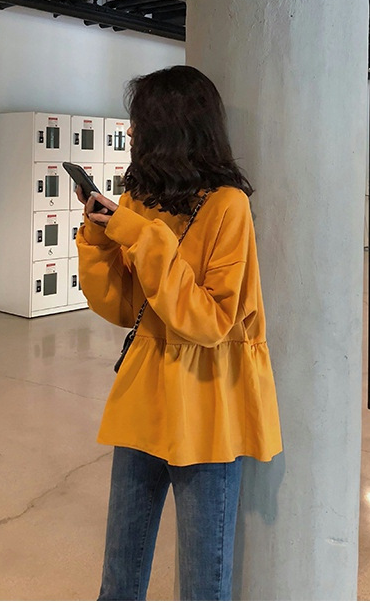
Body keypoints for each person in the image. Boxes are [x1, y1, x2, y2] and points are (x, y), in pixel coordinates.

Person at [75, 65, 282, 601]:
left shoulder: (228, 206)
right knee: (118, 578)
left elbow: (209, 322)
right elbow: (123, 307)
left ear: (170, 127)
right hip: (145, 394)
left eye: (139, 121)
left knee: (202, 584)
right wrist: (99, 240)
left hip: (209, 405)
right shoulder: (142, 201)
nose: (130, 132)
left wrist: (139, 235)